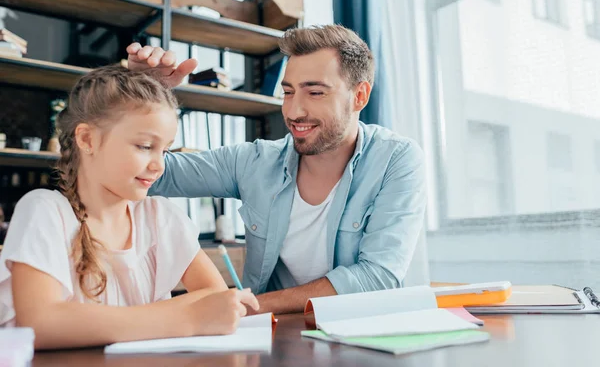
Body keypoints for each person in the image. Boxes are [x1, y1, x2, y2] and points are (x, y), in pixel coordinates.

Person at [126, 24, 427, 315]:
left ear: (359, 96)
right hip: (277, 340)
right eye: (288, 92)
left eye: (315, 93)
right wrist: (144, 99)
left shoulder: (396, 159)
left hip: (366, 342)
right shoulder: (255, 161)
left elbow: (377, 276)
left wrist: (249, 308)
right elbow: (152, 175)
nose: (294, 111)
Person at [0, 65, 259, 349]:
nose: (159, 165)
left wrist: (88, 322)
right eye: (145, 146)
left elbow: (214, 297)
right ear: (87, 139)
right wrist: (184, 319)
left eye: (165, 150)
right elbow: (41, 323)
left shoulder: (160, 216)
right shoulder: (44, 212)